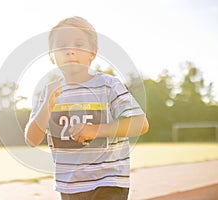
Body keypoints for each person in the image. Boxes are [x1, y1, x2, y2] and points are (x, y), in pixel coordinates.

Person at [25, 16, 149, 200]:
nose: (70, 51)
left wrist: (95, 130)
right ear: (51, 55)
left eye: (79, 44)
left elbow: (141, 124)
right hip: (69, 185)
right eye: (62, 46)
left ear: (92, 53)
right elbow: (31, 140)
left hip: (108, 181)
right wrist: (46, 107)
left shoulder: (108, 85)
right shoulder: (49, 92)